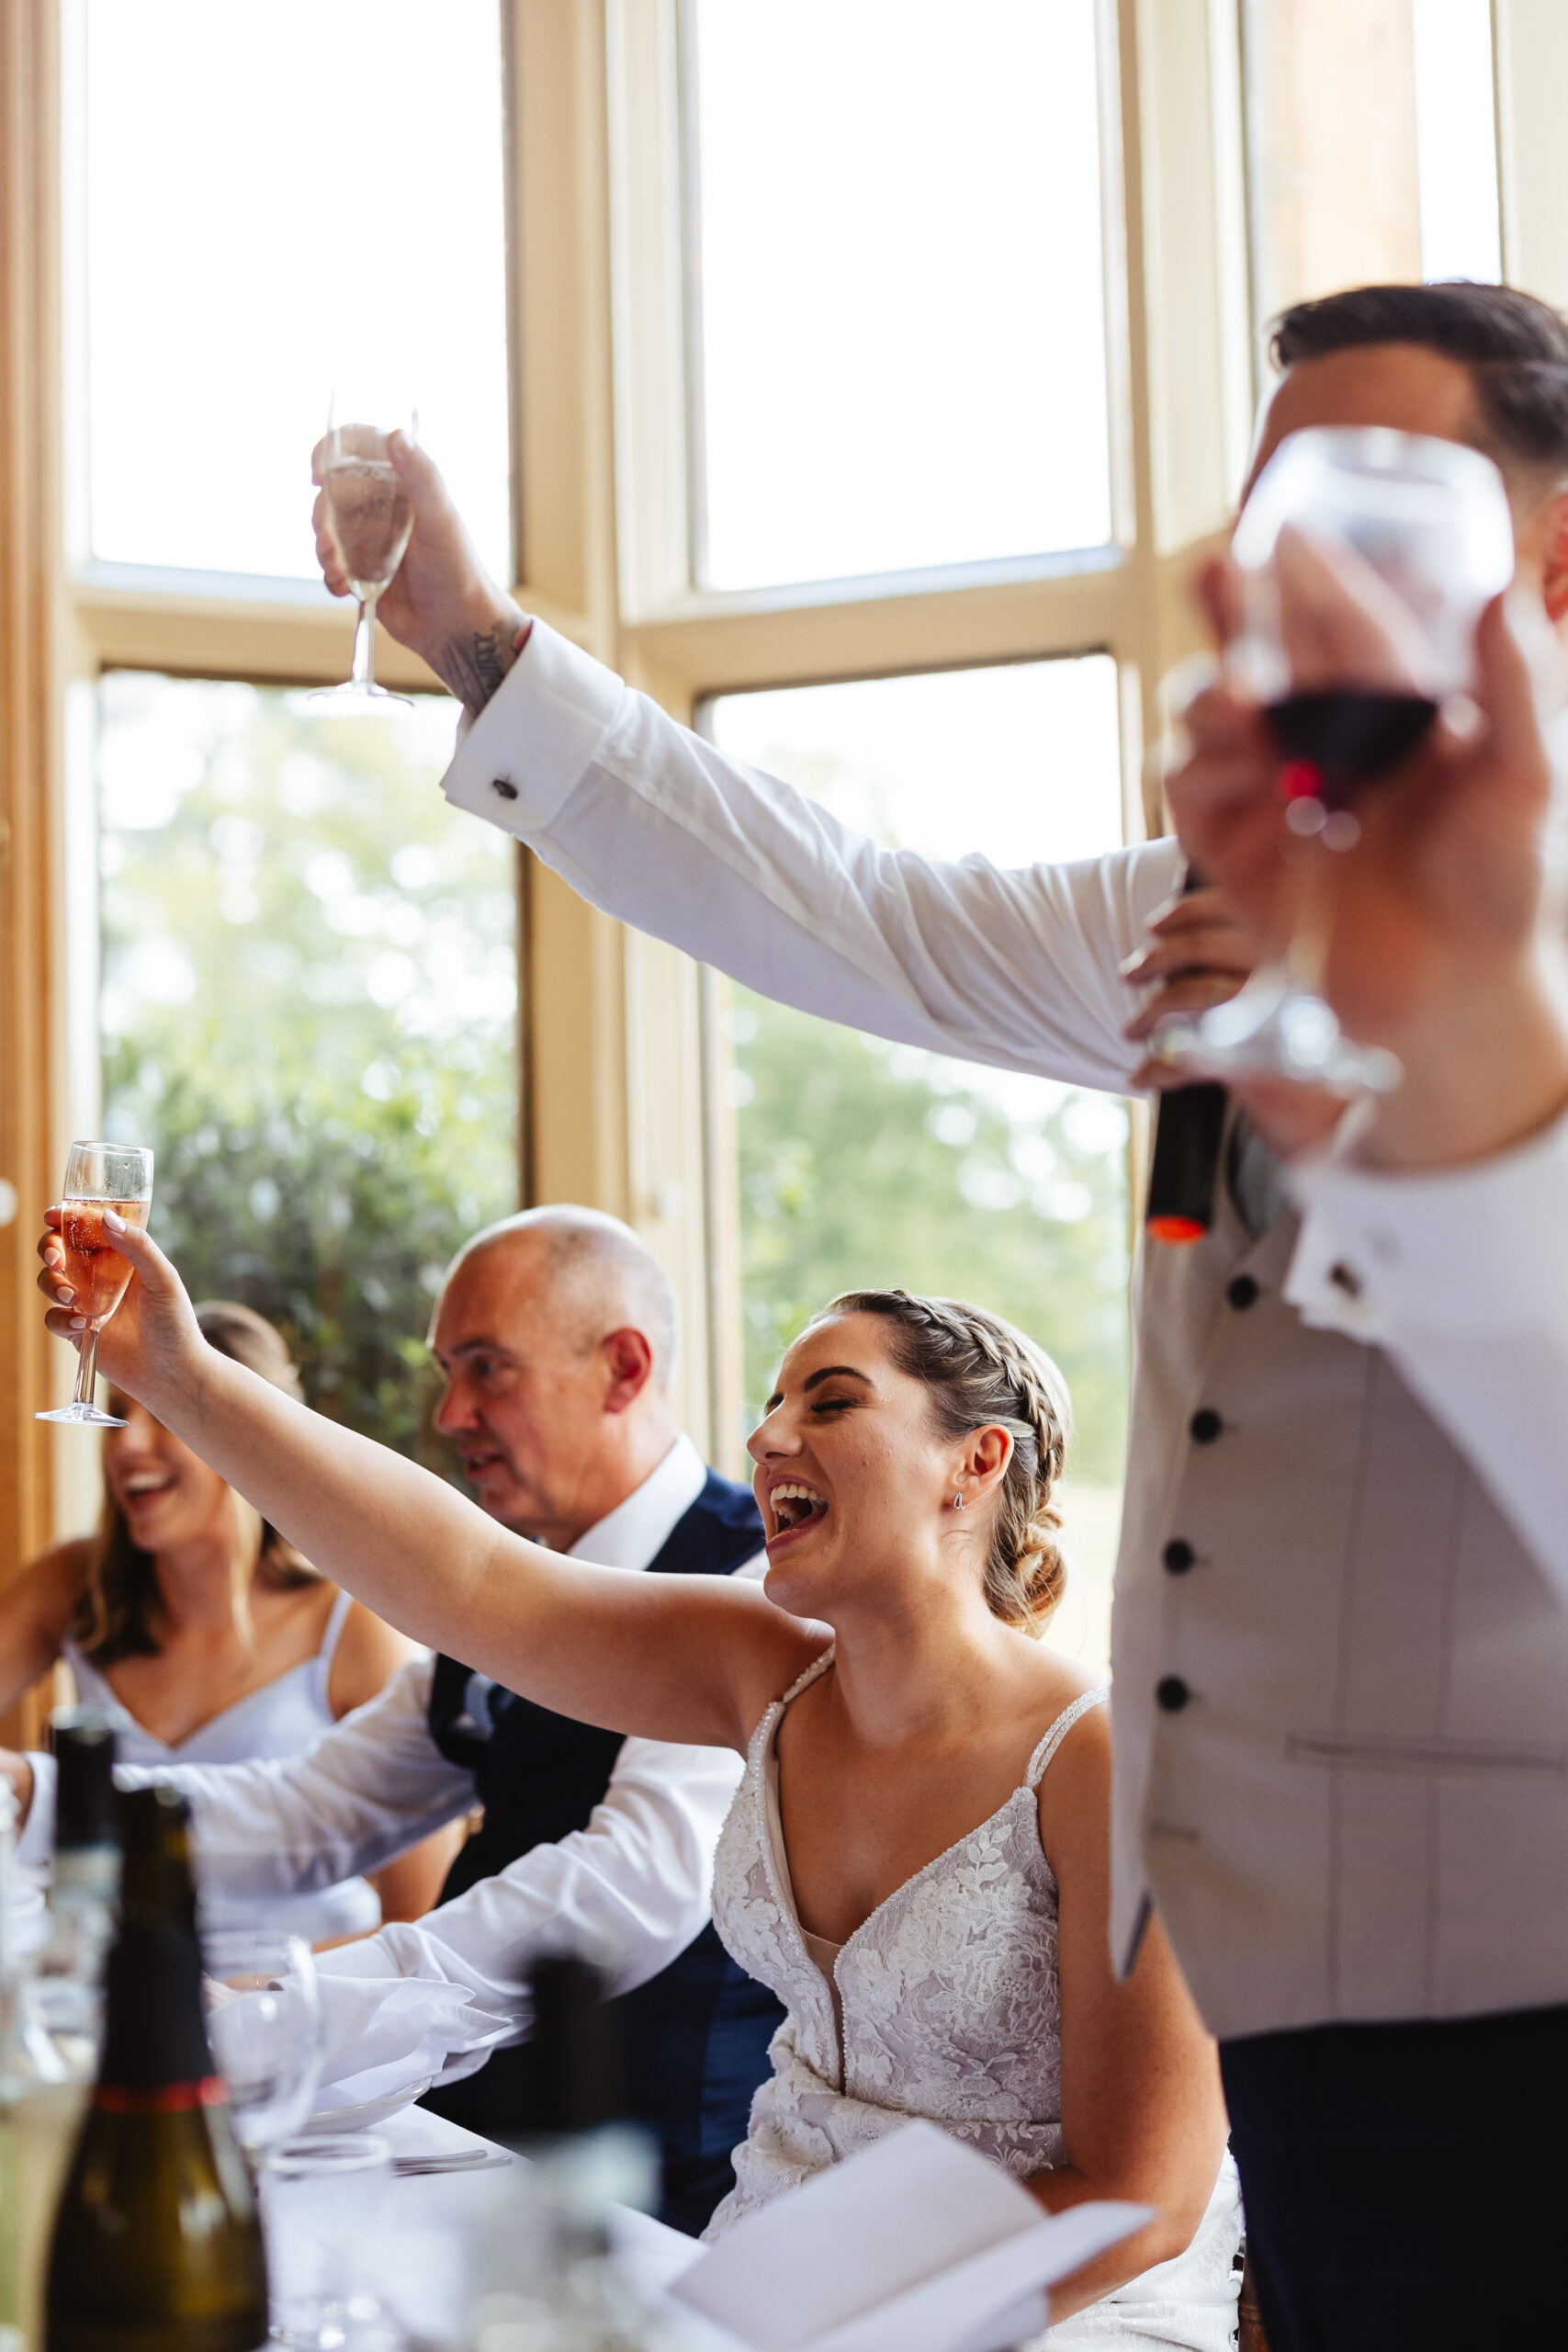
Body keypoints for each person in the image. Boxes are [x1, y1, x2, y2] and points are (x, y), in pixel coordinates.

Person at [309, 280, 1568, 2346]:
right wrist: (470, 633)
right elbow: (854, 910)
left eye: (1378, 513)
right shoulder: (1214, 899)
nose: (1286, 578)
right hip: (1300, 2028)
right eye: (1268, 524)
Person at [33, 1220, 1242, 2345]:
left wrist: (814, 2320)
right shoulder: (756, 1671)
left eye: (829, 1401)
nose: (768, 1439)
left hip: (1033, 2309)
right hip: (750, 2283)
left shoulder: (1104, 1758)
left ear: (971, 1463)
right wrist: (178, 1375)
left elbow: (1140, 2194)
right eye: (768, 1407)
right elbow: (464, 1579)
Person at [10, 1207, 783, 2238]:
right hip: (450, 2148)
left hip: (646, 2187)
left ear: (624, 1368)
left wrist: (287, 2005)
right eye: (444, 1373)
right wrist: (37, 1793)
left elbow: (630, 1882)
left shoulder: (751, 1581)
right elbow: (311, 1809)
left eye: (486, 1368)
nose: (451, 1412)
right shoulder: (497, 1597)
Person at [1, 1300, 448, 1939]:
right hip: (108, 1995)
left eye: (163, 1412)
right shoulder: (78, 1585)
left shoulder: (353, 1628)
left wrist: (247, 2000)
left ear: (252, 1436)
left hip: (299, 2007)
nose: (126, 1444)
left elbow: (419, 1914)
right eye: (118, 1415)